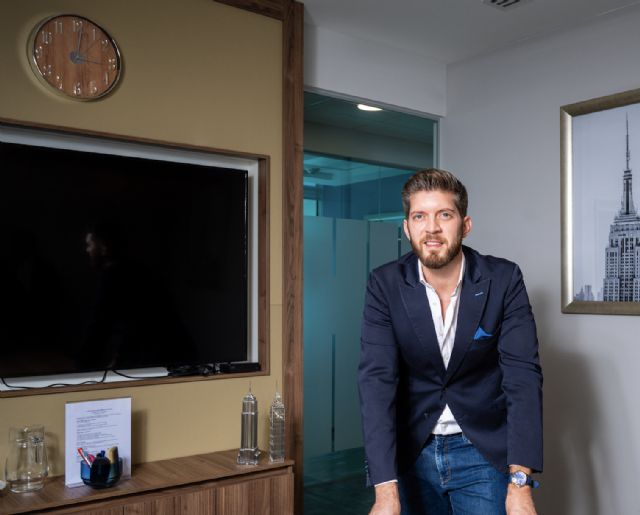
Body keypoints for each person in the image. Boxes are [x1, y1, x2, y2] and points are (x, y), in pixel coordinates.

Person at [358, 169, 542, 515]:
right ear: (407, 227)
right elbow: (376, 384)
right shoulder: (384, 284)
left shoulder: (504, 279)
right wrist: (385, 489)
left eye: (444, 215)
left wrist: (520, 483)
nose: (431, 228)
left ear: (465, 225)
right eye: (419, 216)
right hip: (412, 451)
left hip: (483, 453)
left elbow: (523, 379)